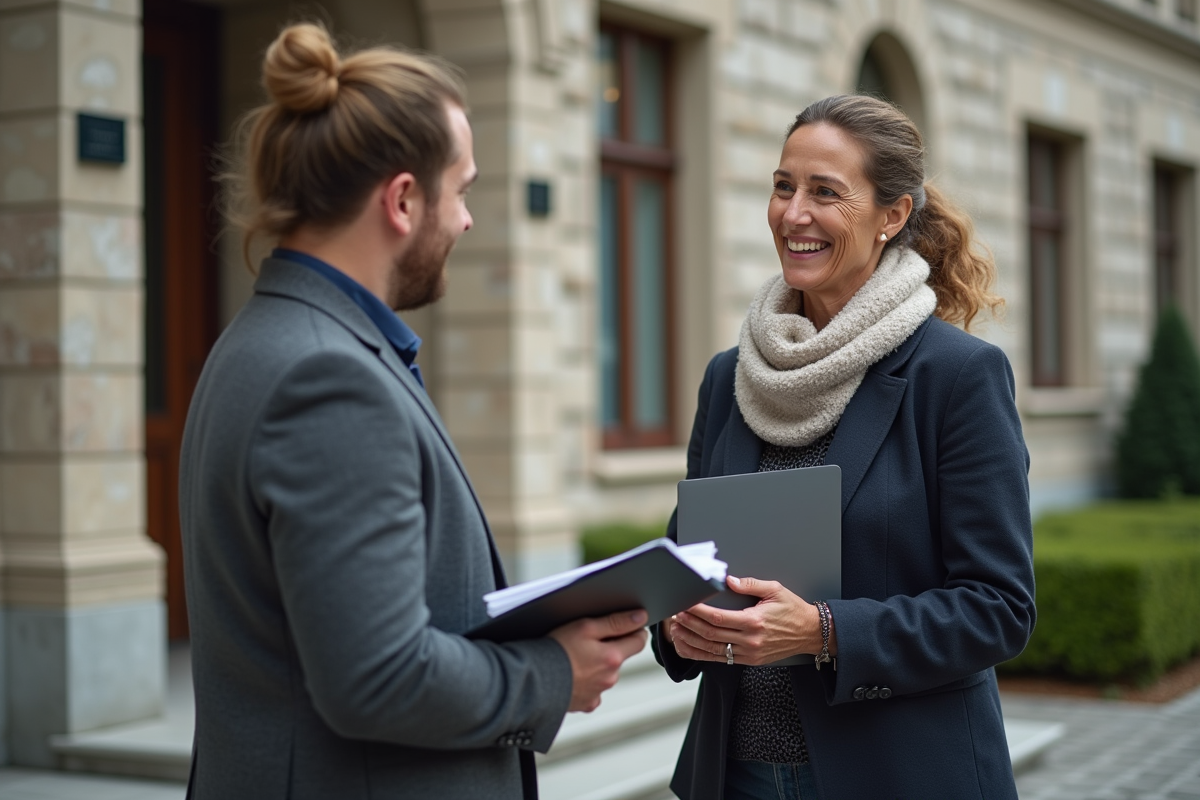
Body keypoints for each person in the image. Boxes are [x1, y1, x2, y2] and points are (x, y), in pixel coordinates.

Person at [179, 23, 647, 800]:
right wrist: (551, 673)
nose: (466, 220)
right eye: (460, 191)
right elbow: (377, 678)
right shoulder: (328, 378)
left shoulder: (259, 338)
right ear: (401, 200)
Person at [652, 94, 1036, 800]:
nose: (794, 213)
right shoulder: (728, 378)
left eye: (826, 192)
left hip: (899, 774)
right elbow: (688, 568)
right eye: (783, 186)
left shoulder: (955, 377)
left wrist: (824, 632)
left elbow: (999, 608)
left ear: (892, 216)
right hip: (736, 776)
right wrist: (678, 621)